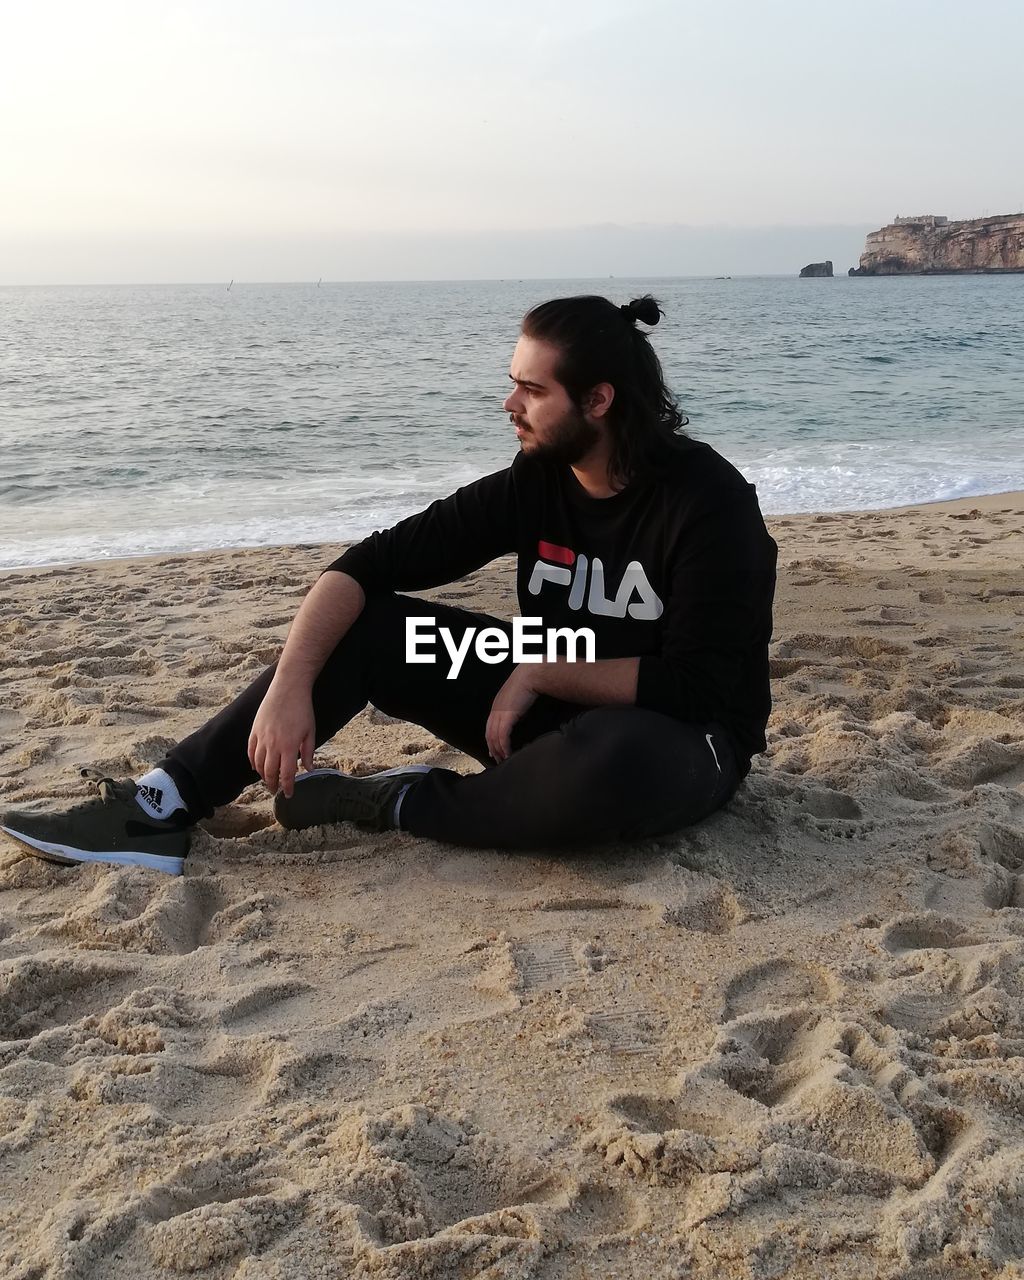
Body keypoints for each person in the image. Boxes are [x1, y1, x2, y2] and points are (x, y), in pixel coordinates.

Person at [1, 295, 778, 877]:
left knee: (614, 764)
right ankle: (160, 805)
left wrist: (536, 669)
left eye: (532, 392)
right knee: (370, 627)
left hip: (680, 735)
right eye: (513, 384)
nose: (509, 405)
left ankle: (392, 799)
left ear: (600, 400)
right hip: (541, 702)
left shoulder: (706, 501)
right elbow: (363, 568)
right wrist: (290, 687)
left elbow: (697, 686)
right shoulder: (534, 482)